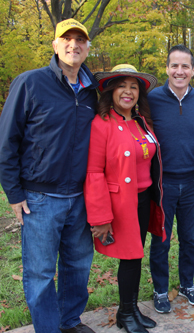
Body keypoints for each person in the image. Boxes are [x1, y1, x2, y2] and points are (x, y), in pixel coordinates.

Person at [0, 19, 97, 332]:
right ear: (55, 46)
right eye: (66, 39)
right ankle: (47, 328)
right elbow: (7, 141)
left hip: (81, 197)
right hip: (40, 198)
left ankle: (70, 321)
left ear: (87, 48)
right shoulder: (30, 83)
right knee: (40, 272)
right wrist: (14, 193)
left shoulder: (93, 90)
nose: (73, 45)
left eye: (79, 40)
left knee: (78, 266)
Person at [84, 64, 165, 332]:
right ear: (111, 91)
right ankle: (127, 314)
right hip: (121, 205)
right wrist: (101, 217)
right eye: (122, 86)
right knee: (130, 258)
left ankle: (128, 310)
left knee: (135, 256)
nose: (128, 92)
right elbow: (94, 172)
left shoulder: (141, 121)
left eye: (134, 87)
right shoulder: (102, 124)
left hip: (144, 200)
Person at [147, 45, 194, 313]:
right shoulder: (152, 99)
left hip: (192, 180)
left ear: (193, 70)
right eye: (175, 65)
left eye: (185, 66)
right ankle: (160, 289)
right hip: (162, 182)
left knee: (189, 238)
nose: (179, 71)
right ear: (167, 68)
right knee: (161, 238)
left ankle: (187, 284)